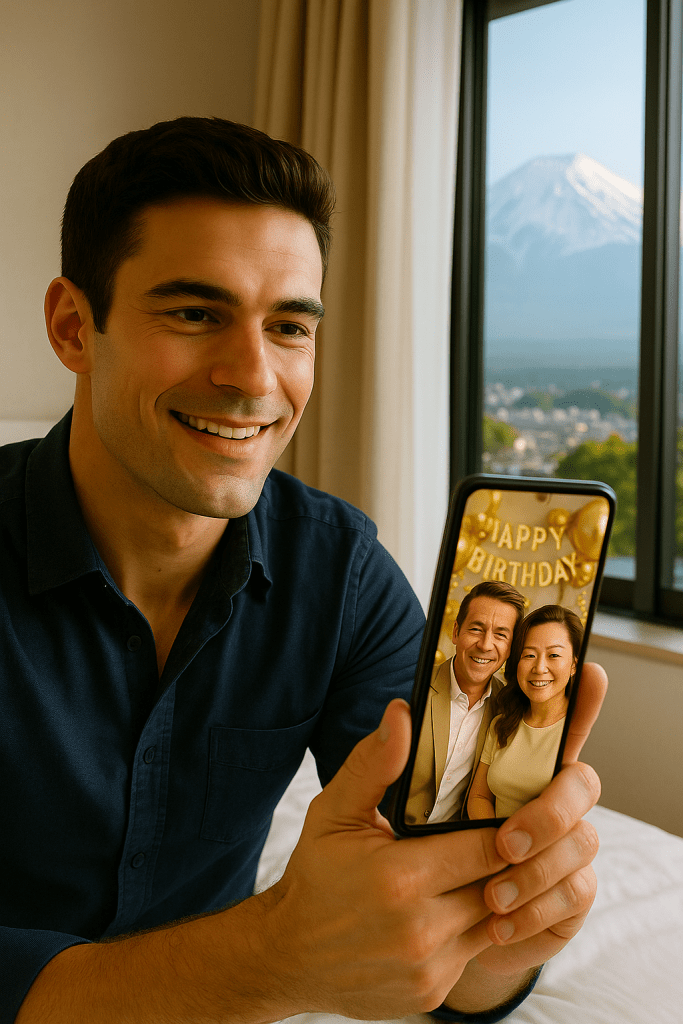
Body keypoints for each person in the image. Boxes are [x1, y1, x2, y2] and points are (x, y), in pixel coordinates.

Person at [1, 117, 606, 1024]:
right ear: (72, 326)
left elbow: (431, 921)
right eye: (195, 313)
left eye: (289, 326)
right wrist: (266, 958)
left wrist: (503, 932)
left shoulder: (342, 573)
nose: (253, 376)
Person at [405, 581, 525, 824]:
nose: (485, 645)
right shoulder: (413, 685)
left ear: (511, 648)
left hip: (451, 844)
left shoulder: (509, 709)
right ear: (456, 631)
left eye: (500, 635)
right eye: (476, 629)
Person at [468, 605, 583, 820]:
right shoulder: (502, 724)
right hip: (490, 845)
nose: (539, 668)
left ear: (574, 665)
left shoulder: (577, 729)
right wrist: (497, 844)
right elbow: (479, 796)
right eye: (529, 655)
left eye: (554, 655)